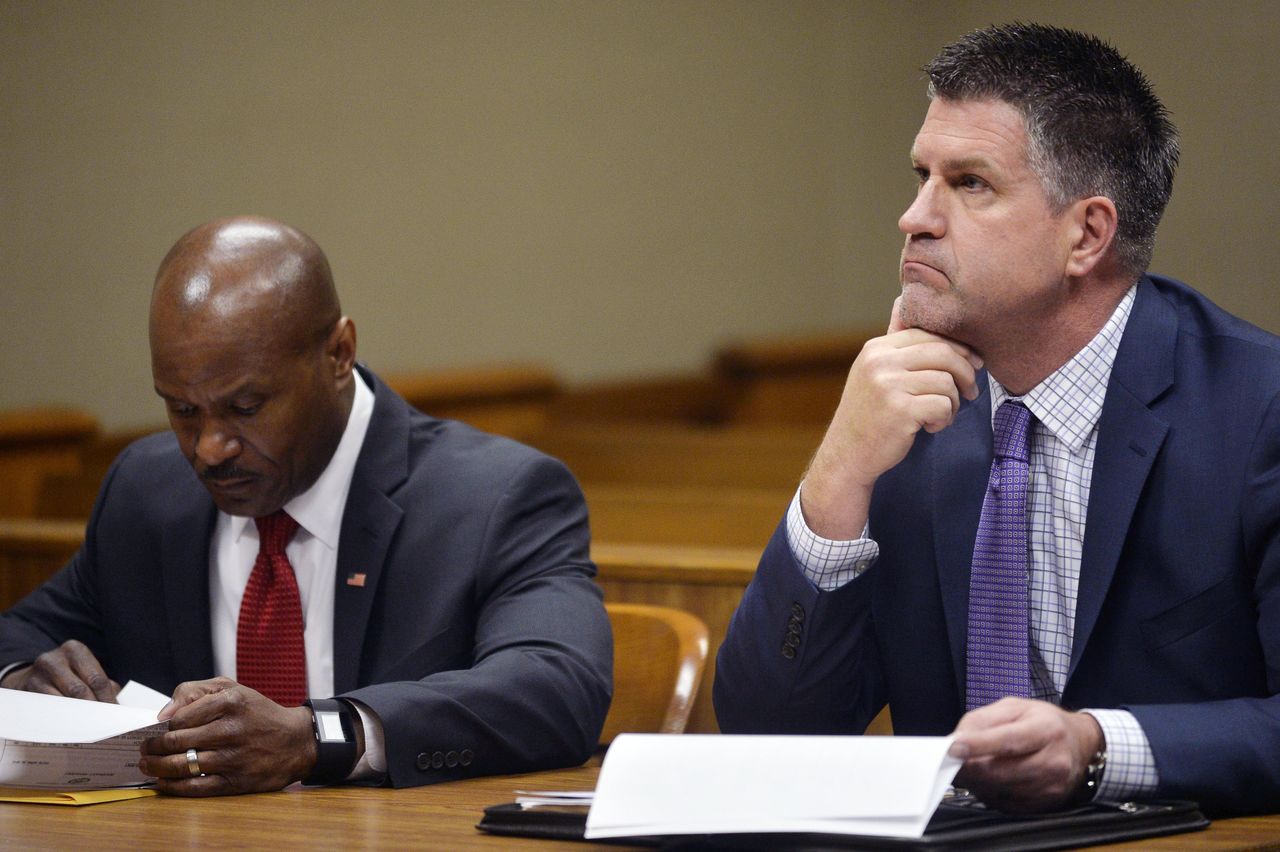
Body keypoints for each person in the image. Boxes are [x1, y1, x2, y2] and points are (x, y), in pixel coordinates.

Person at [714, 23, 1279, 817]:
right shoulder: (901, 412)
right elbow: (768, 736)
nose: (915, 217)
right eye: (921, 176)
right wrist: (837, 472)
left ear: (1086, 234)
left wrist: (1097, 748)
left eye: (969, 183)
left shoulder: (1259, 411)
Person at [0, 215, 612, 795]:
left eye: (246, 407)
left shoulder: (495, 496)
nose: (210, 448)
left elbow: (556, 687)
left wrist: (318, 735)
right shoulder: (148, 492)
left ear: (339, 354)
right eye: (183, 409)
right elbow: (18, 635)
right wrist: (26, 680)